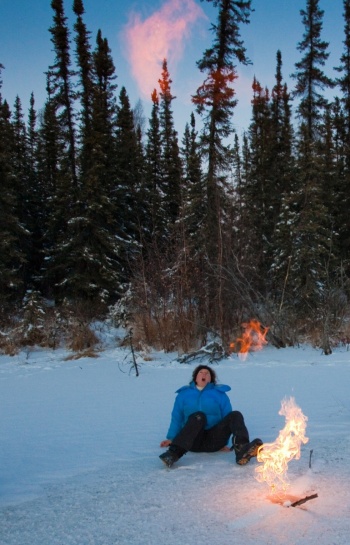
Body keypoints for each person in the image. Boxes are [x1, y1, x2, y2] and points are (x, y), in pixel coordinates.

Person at [159, 364, 262, 468]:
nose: (204, 374)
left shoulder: (219, 394)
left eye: (207, 373)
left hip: (214, 441)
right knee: (198, 416)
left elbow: (227, 417)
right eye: (201, 373)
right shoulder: (183, 394)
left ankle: (242, 450)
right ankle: (172, 454)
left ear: (211, 379)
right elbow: (177, 417)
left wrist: (224, 443)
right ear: (195, 377)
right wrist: (171, 438)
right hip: (192, 441)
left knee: (235, 415)